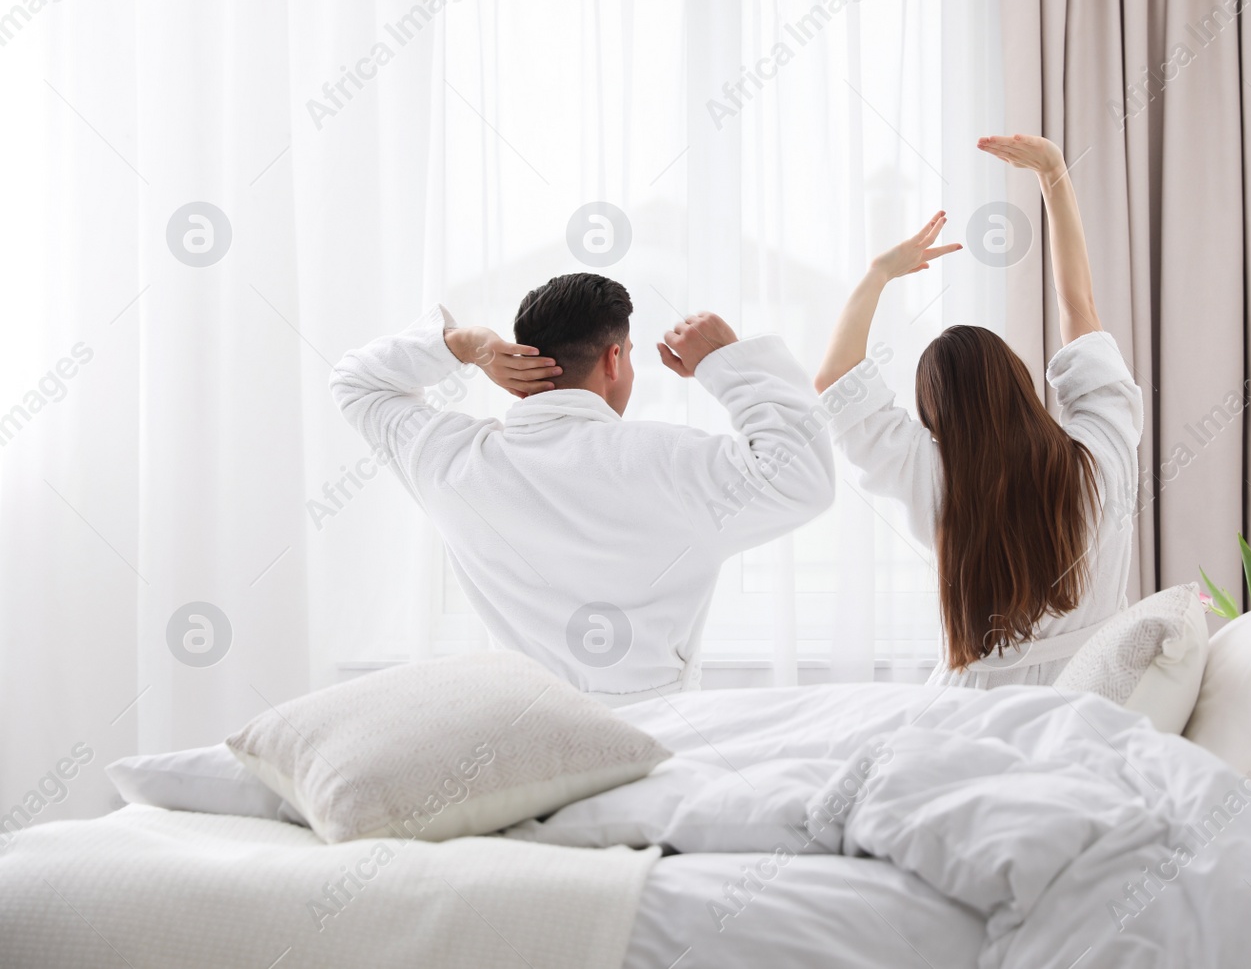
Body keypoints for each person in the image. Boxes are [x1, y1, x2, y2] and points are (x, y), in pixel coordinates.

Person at [330, 273, 834, 703]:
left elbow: (356, 382)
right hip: (656, 744)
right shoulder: (671, 463)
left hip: (521, 751)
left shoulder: (454, 462)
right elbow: (803, 479)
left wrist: (467, 344)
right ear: (613, 360)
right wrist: (728, 362)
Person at [814, 134, 1143, 688]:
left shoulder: (934, 477)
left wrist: (879, 274)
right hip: (1093, 698)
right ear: (1020, 381)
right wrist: (1054, 175)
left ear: (935, 419)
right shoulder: (1102, 455)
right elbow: (1077, 306)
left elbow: (835, 380)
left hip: (971, 711)